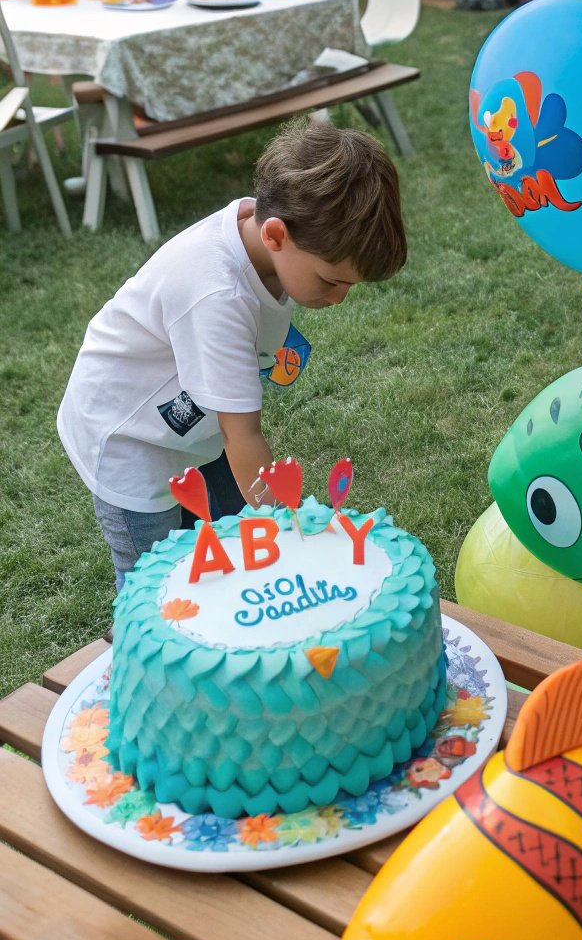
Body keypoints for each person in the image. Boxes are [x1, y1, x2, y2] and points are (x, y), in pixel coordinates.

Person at [58, 118, 407, 590]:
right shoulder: (217, 296)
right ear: (277, 236)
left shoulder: (258, 228)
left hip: (191, 425)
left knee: (237, 537)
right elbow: (242, 434)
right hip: (126, 435)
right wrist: (290, 530)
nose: (340, 298)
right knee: (156, 578)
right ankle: (144, 656)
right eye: (332, 281)